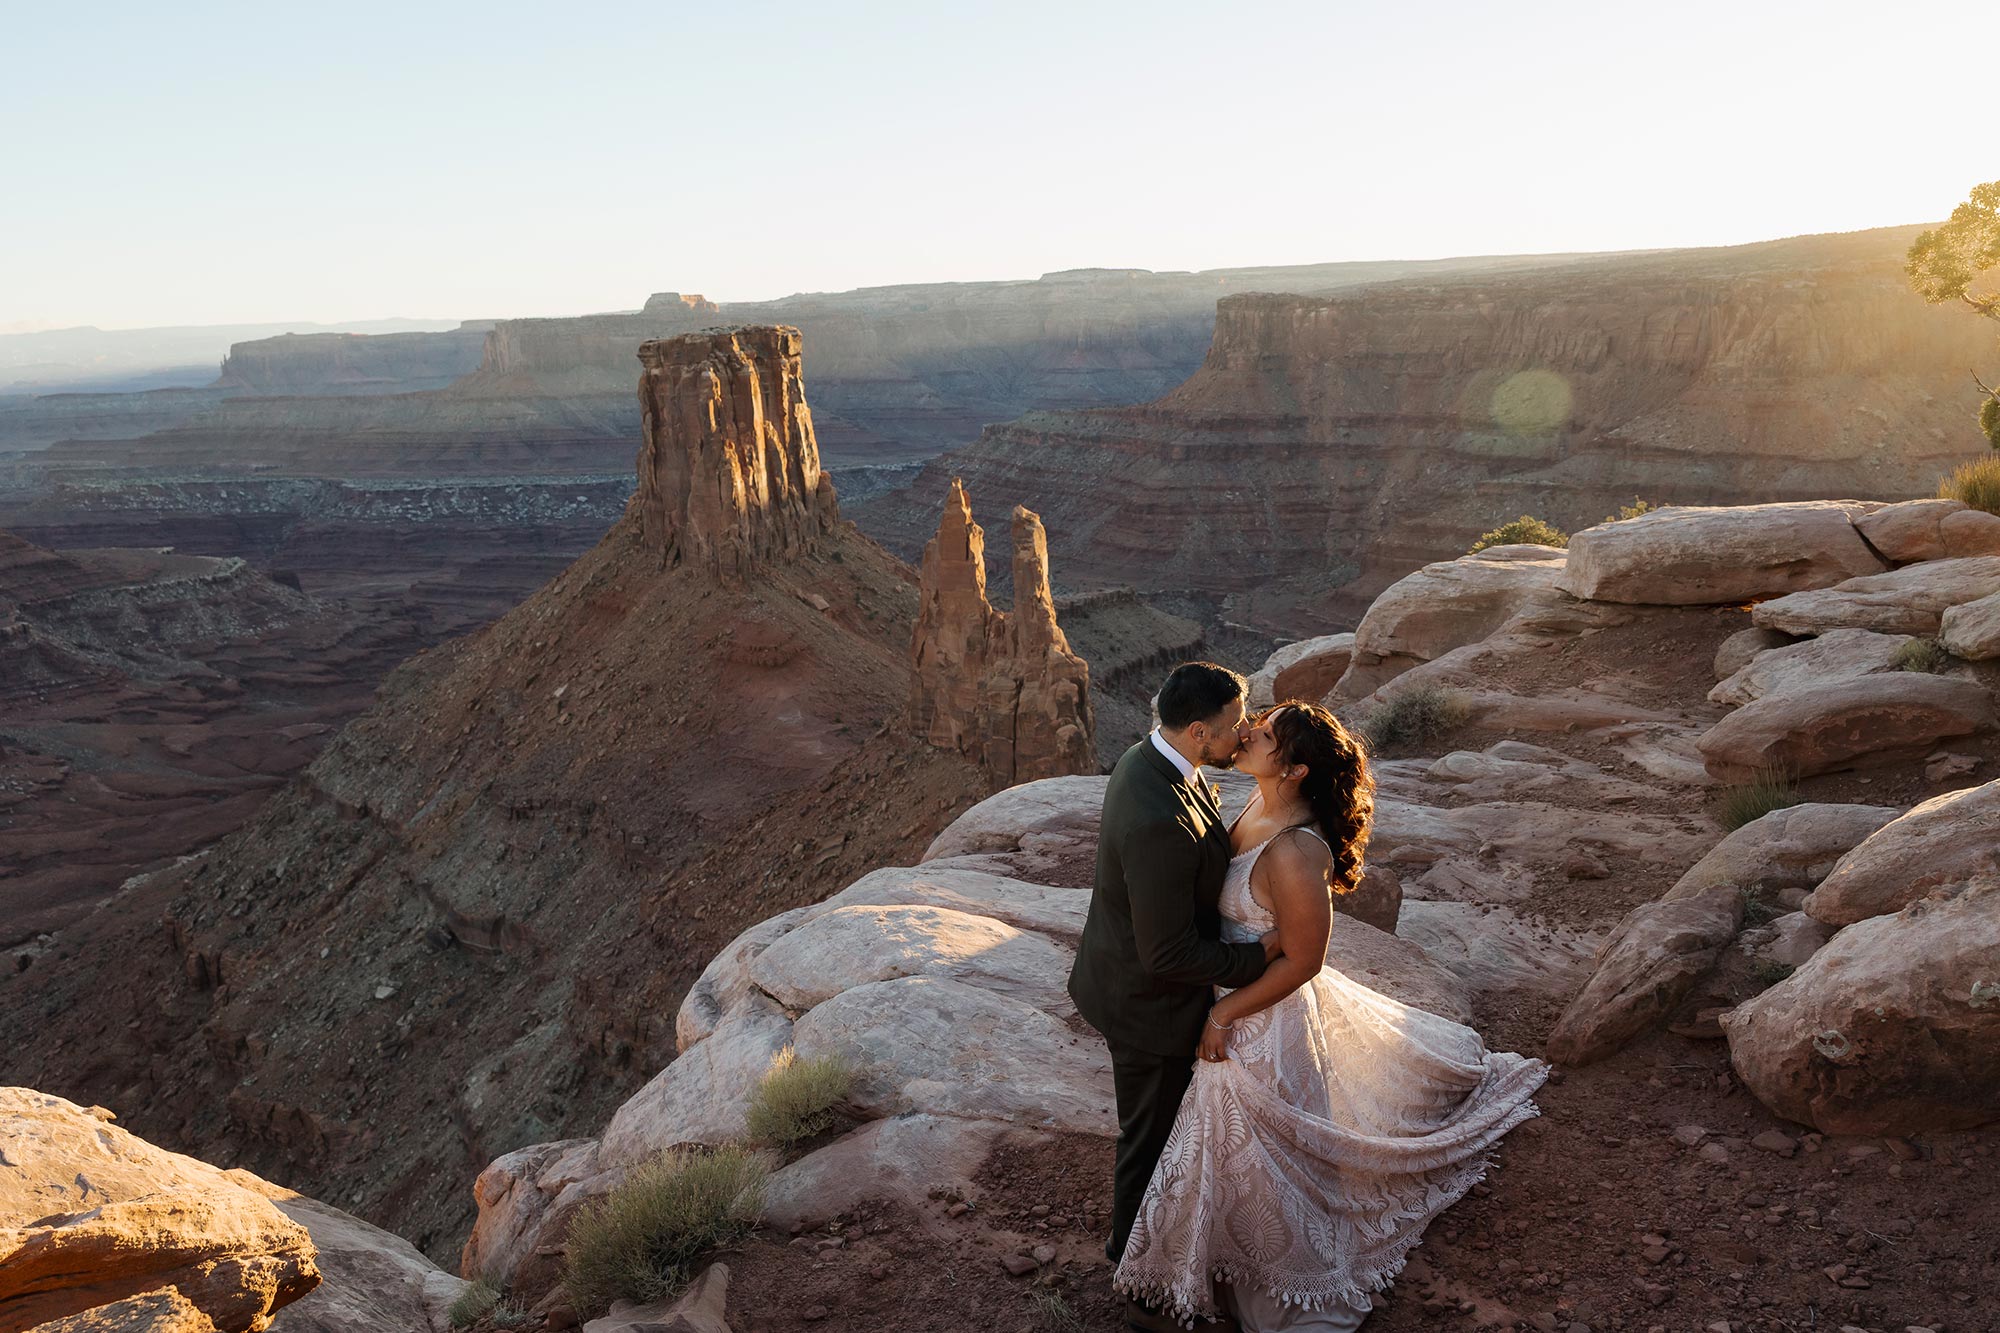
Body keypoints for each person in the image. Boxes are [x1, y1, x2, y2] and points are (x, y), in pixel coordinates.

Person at [1112, 701, 1548, 1331]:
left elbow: (1305, 959)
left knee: (1260, 1153)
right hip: (1231, 995)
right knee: (1230, 1150)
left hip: (1262, 1019)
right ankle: (1215, 1258)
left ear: (1293, 770)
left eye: (1264, 734)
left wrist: (1225, 1014)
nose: (1249, 733)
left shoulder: (1294, 851)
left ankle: (1280, 1273)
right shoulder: (1257, 804)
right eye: (1254, 723)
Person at [1068, 662, 1279, 1332]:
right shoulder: (1157, 814)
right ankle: (1135, 1278)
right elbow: (1167, 954)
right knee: (1149, 1135)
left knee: (1160, 1129)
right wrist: (1259, 957)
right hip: (1146, 1004)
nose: (1243, 731)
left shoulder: (1153, 757)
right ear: (1195, 730)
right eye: (1233, 724)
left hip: (1135, 980)